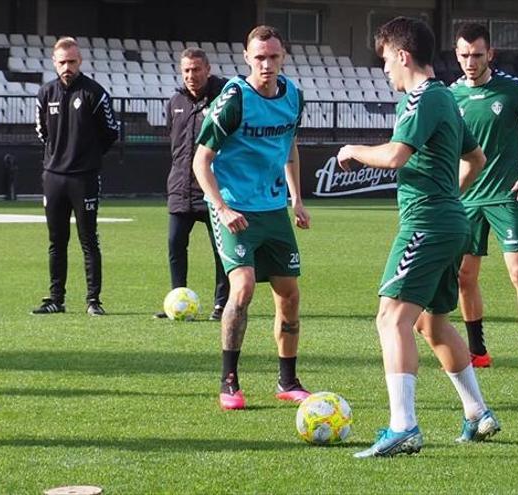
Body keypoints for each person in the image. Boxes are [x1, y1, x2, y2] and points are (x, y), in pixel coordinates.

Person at [336, 16, 498, 458]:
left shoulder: (422, 98)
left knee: (391, 318)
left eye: (386, 59)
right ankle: (478, 413)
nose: (385, 69)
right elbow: (477, 157)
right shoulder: (444, 96)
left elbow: (394, 156)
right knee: (431, 321)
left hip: (426, 223)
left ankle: (403, 426)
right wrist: (449, 197)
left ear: (403, 56)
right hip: (448, 221)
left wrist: (351, 151)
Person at [192, 25, 311, 411]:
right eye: (259, 57)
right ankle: (229, 381)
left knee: (289, 296)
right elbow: (201, 161)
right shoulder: (234, 100)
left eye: (273, 57)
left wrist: (297, 199)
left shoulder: (294, 95)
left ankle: (287, 380)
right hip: (235, 207)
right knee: (242, 289)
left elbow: (290, 147)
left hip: (274, 208)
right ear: (247, 58)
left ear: (283, 58)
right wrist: (222, 209)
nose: (266, 64)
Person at [449, 23, 518, 375]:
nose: (470, 61)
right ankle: (478, 352)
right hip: (467, 199)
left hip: (506, 197)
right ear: (456, 55)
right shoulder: (450, 96)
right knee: (465, 277)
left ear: (490, 53)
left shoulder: (511, 90)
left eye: (477, 54)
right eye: (464, 55)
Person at [33, 37, 119, 316]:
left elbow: (110, 132)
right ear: (54, 63)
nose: (67, 67)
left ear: (80, 61)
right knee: (56, 240)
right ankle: (56, 298)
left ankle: (93, 301)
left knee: (88, 240)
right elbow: (41, 132)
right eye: (62, 62)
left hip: (84, 179)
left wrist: (88, 157)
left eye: (71, 62)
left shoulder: (95, 93)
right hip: (54, 178)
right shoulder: (46, 94)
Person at [154, 48, 230, 321]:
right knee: (175, 245)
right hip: (179, 188)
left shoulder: (224, 100)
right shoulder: (175, 101)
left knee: (221, 251)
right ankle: (177, 299)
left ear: (207, 70)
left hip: (213, 190)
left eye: (196, 69)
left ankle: (222, 304)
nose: (191, 75)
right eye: (186, 70)